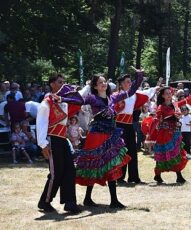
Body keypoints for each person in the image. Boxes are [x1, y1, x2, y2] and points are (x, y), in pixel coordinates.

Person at [70, 72, 143, 208]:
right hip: (96, 136)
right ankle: (87, 198)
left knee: (111, 165)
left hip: (110, 135)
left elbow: (132, 91)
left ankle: (114, 200)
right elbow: (77, 100)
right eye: (100, 83)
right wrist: (62, 98)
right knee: (93, 165)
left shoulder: (113, 97)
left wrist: (139, 76)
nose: (104, 84)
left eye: (105, 82)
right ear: (95, 86)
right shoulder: (92, 98)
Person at [36, 74, 80, 213]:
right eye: (60, 82)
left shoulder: (64, 102)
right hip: (51, 139)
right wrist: (43, 144)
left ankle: (70, 202)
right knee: (56, 172)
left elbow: (80, 99)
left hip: (62, 139)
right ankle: (45, 201)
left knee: (70, 170)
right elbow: (41, 123)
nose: (63, 85)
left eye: (64, 82)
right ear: (52, 84)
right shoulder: (47, 102)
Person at [114, 74, 156, 184]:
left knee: (132, 151)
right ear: (121, 84)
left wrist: (140, 76)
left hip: (129, 125)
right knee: (121, 151)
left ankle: (134, 177)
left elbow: (146, 92)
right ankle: (119, 177)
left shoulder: (133, 95)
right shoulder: (116, 95)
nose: (129, 83)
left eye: (130, 81)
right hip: (118, 125)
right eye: (127, 81)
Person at [144, 87, 189, 184]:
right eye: (167, 93)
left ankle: (179, 176)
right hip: (165, 134)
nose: (169, 95)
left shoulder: (175, 104)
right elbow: (157, 119)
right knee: (163, 153)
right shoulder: (161, 107)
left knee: (177, 153)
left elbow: (184, 103)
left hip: (175, 133)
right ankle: (157, 175)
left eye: (170, 93)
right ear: (163, 96)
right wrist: (150, 134)